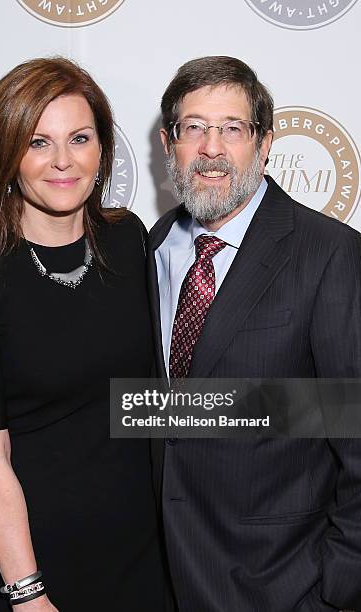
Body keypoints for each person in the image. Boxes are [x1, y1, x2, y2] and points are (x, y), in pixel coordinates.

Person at [0, 57, 167, 611]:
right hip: (36, 565)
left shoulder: (128, 238)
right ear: (7, 154)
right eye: (38, 142)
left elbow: (148, 400)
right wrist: (28, 596)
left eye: (80, 138)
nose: (63, 161)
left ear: (102, 150)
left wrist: (305, 410)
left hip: (144, 553)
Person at [149, 56, 361, 611]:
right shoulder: (150, 249)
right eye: (194, 128)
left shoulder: (328, 254)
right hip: (160, 580)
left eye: (232, 129)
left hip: (283, 588)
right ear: (170, 143)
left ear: (265, 144)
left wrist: (335, 590)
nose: (211, 148)